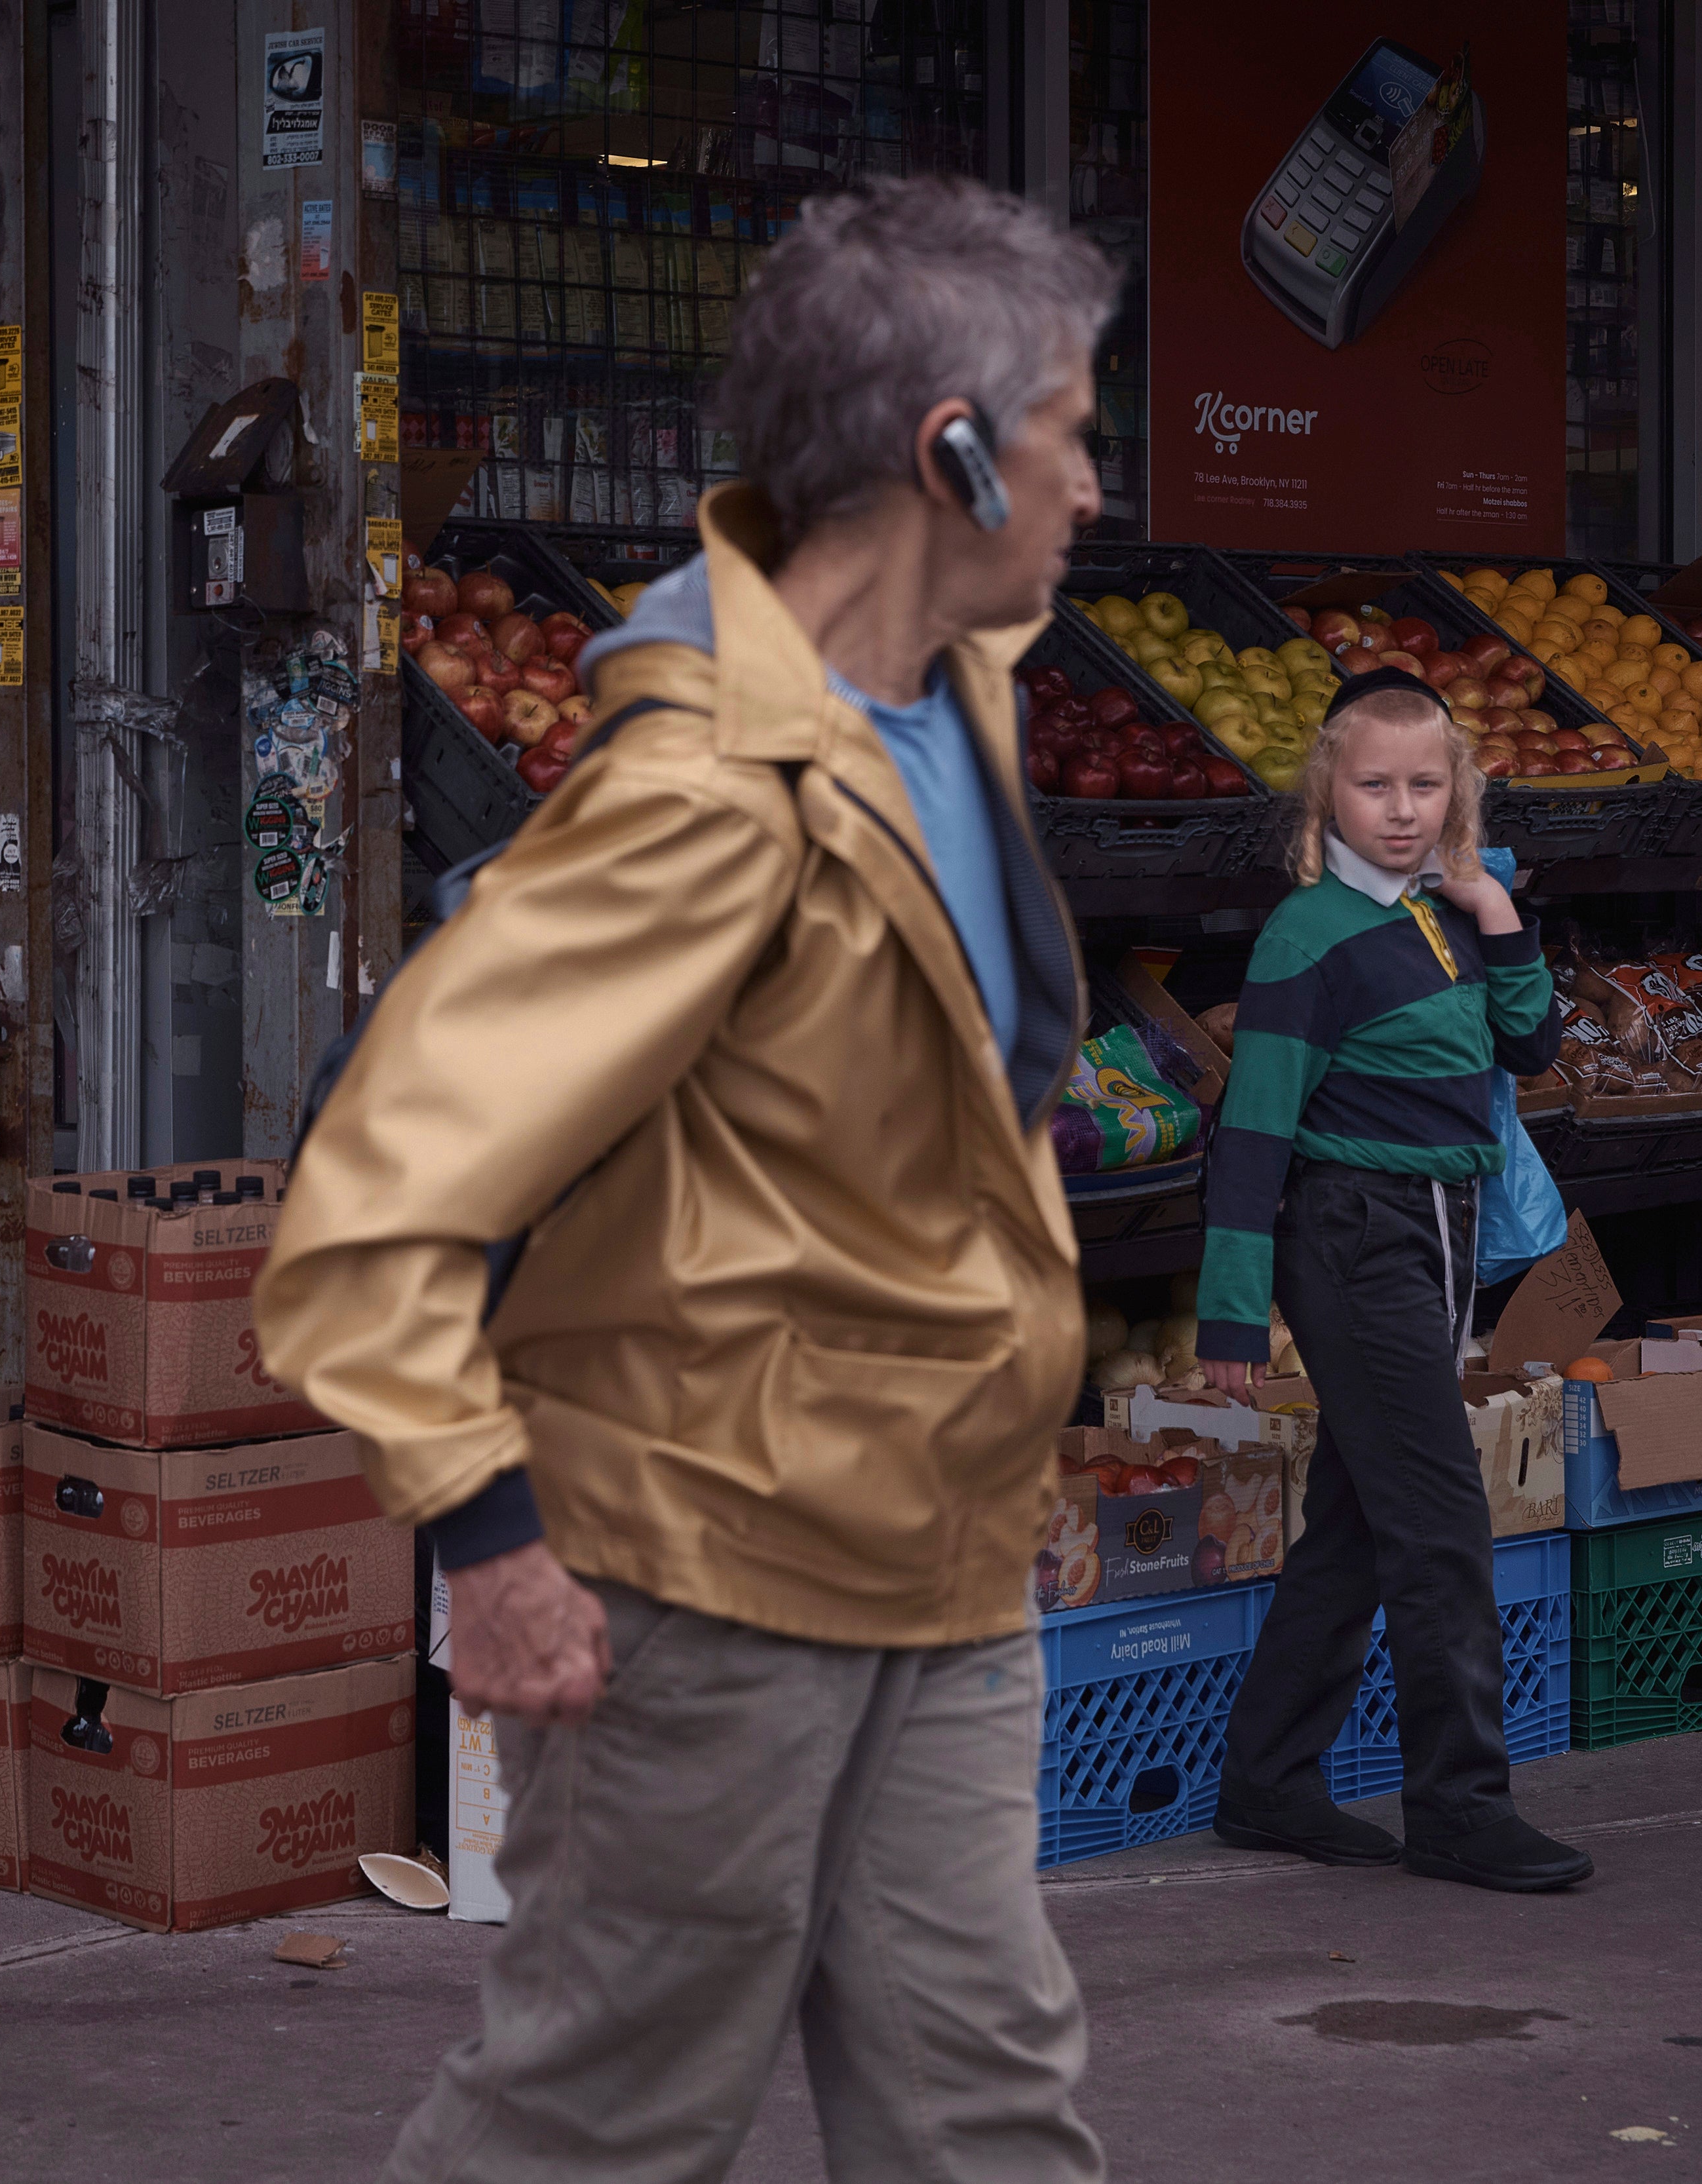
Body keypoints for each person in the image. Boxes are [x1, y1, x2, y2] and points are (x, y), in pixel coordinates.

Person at [256, 175, 1112, 2183]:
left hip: (936, 1561)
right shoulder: (708, 798)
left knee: (990, 2104)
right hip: (698, 1582)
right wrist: (490, 1542)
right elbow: (370, 1201)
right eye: (1074, 425)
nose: (1097, 477)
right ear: (954, 452)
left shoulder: (947, 707)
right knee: (604, 2122)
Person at [1195, 671, 1589, 1892]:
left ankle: (1267, 1778)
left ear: (1458, 790)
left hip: (1434, 1226)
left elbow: (1531, 1046)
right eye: (1376, 785)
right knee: (1439, 1523)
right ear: (1329, 792)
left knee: (1362, 1526)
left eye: (1427, 786)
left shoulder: (1447, 910)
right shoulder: (1305, 937)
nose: (1403, 809)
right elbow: (1253, 1132)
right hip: (1353, 1236)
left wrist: (1496, 907)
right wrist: (1230, 1308)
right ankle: (1460, 1806)